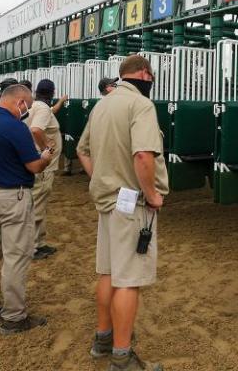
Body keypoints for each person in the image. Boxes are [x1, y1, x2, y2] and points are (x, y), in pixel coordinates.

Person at [77, 55, 167, 371]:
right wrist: (153, 194)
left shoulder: (103, 103)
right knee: (129, 280)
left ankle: (103, 340)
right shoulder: (141, 105)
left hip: (106, 202)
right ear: (144, 74)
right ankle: (121, 357)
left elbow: (81, 150)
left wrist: (100, 177)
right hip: (132, 205)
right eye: (151, 76)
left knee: (108, 273)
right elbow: (143, 155)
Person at [0, 84, 55, 334]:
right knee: (15, 258)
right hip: (13, 197)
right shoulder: (15, 127)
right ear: (19, 102)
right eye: (26, 106)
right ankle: (14, 317)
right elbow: (33, 166)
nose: (26, 110)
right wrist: (47, 157)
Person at [26, 79, 62, 260]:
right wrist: (46, 148)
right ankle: (32, 247)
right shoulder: (41, 108)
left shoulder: (38, 106)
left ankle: (38, 243)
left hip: (43, 166)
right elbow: (36, 130)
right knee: (37, 206)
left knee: (38, 205)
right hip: (44, 168)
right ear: (51, 92)